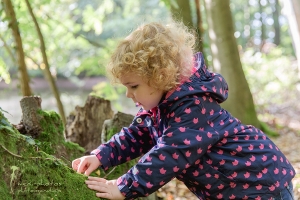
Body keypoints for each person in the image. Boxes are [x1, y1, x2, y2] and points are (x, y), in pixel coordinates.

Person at [72, 21, 295, 200]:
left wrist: (123, 186)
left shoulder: (193, 106)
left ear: (159, 76)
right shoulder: (158, 108)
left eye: (133, 86)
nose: (129, 95)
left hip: (261, 183)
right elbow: (136, 135)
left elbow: (170, 153)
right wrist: (100, 156)